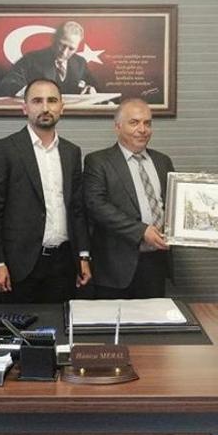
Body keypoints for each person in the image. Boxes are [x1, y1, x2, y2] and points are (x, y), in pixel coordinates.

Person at [0, 78, 92, 303]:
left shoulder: (71, 152)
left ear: (62, 107)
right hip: (20, 265)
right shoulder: (4, 149)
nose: (45, 107)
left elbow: (77, 209)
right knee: (19, 325)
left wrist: (83, 255)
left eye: (52, 100)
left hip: (64, 263)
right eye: (37, 101)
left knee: (60, 323)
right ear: (25, 108)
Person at [83, 98, 175, 299]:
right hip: (116, 267)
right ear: (117, 127)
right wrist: (141, 231)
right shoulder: (98, 161)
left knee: (153, 317)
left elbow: (173, 205)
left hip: (156, 263)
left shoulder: (163, 161)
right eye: (134, 122)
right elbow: (96, 206)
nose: (142, 129)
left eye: (147, 123)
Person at [0, 21, 99, 97]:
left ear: (77, 47)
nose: (64, 52)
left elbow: (96, 86)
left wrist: (91, 89)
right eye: (62, 45)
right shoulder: (31, 59)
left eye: (71, 49)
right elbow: (8, 83)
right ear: (54, 39)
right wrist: (31, 92)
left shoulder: (80, 63)